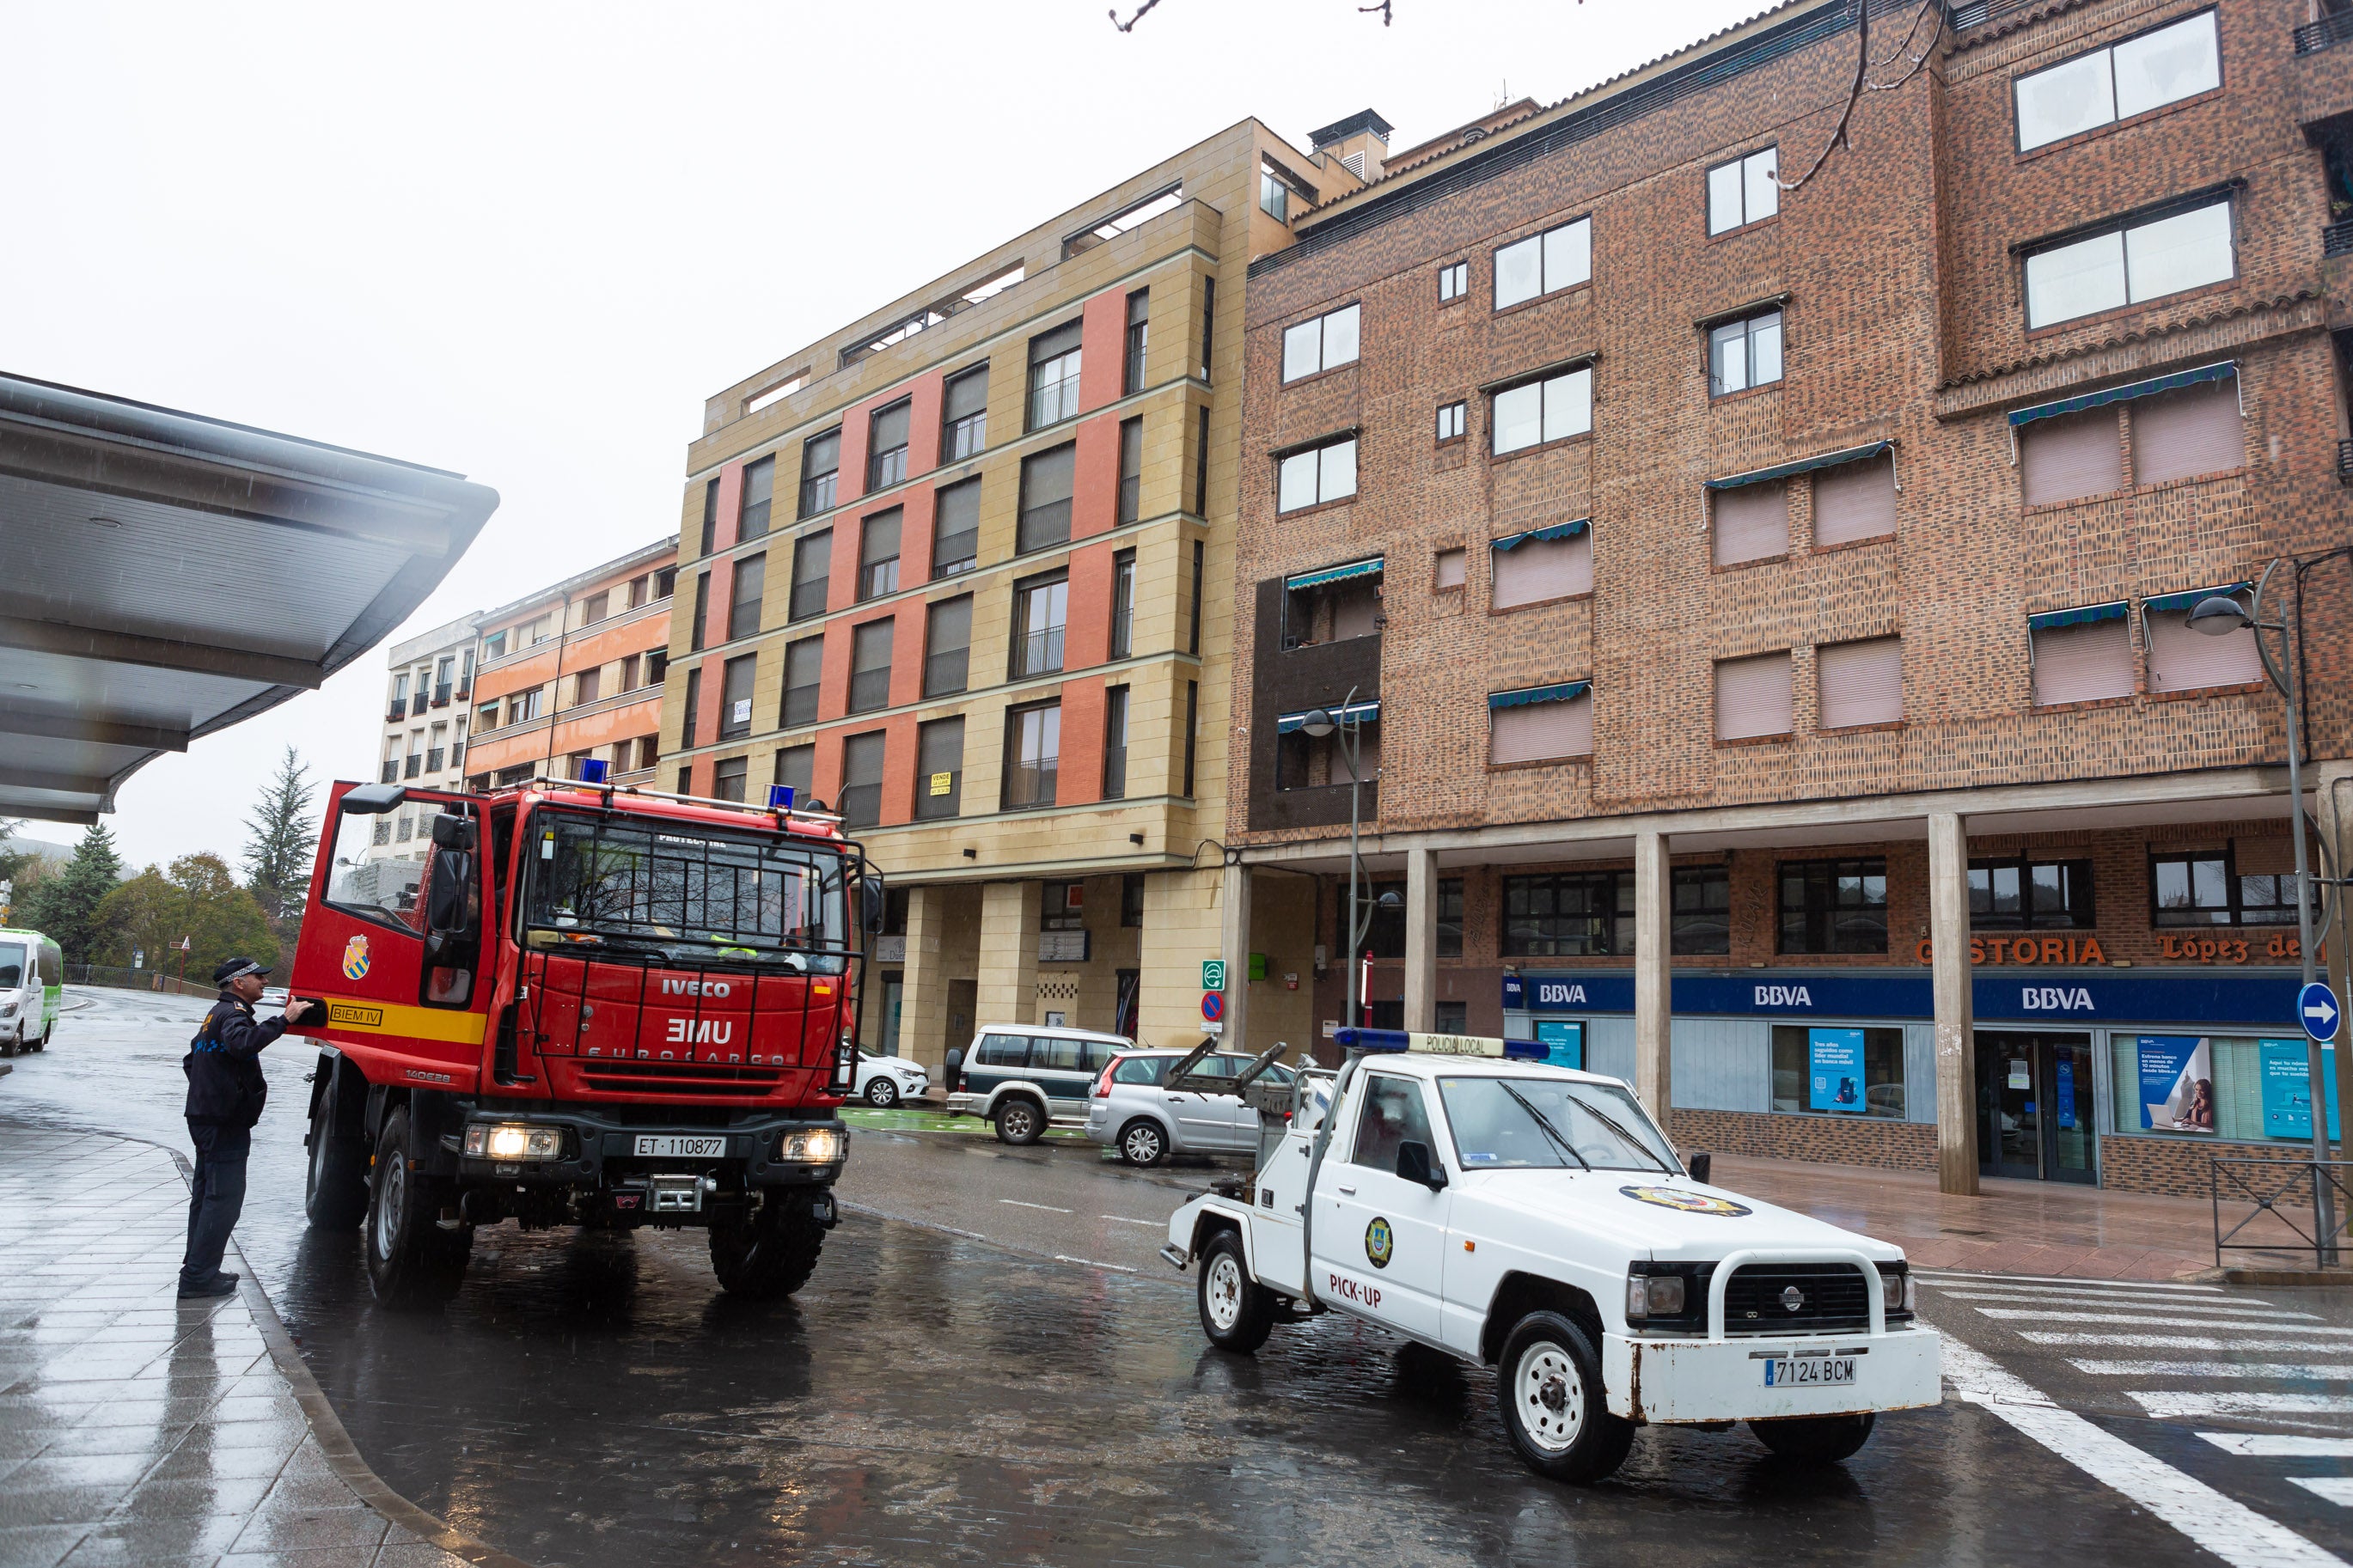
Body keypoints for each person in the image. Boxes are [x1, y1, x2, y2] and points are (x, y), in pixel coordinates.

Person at [179, 958, 318, 1300]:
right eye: (259, 977)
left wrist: (209, 1093)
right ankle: (198, 1277)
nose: (264, 982)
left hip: (206, 1116)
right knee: (224, 1200)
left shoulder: (216, 1014)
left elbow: (191, 1061)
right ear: (238, 983)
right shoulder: (233, 1016)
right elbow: (243, 1044)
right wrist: (284, 1020)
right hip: (223, 1121)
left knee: (207, 1197)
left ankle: (197, 1269)